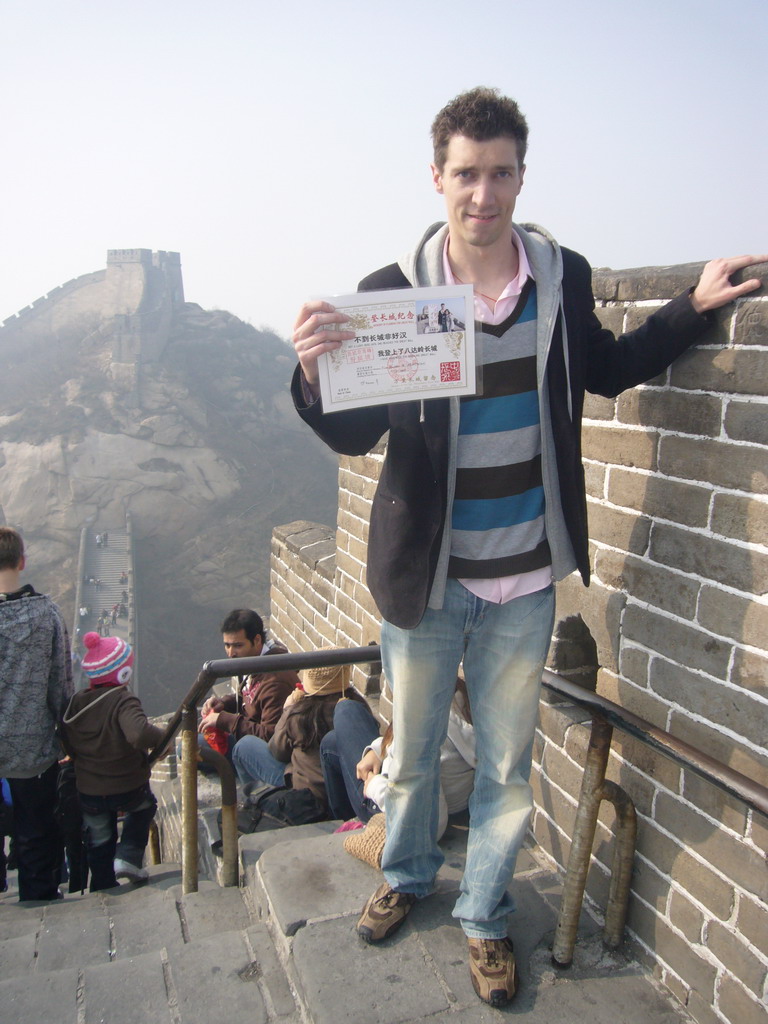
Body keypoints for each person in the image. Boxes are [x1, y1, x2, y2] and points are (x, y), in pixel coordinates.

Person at [290, 86, 766, 1008]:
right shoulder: (397, 295)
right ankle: (408, 868)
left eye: (500, 172)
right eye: (465, 174)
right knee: (416, 751)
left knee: (508, 767)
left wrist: (693, 306)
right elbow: (354, 439)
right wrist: (313, 374)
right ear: (437, 178)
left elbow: (607, 367)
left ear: (520, 176)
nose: (483, 193)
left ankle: (483, 915)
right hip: (428, 582)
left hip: (525, 578)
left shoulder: (560, 277)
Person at [0, 526, 73, 901]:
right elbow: (61, 685)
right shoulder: (46, 614)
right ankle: (38, 894)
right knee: (36, 826)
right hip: (33, 748)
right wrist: (66, 734)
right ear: (22, 562)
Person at [61, 632, 163, 890]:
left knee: (99, 837)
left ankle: (103, 885)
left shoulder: (76, 704)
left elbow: (66, 742)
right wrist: (163, 737)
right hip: (128, 785)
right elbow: (139, 733)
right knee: (144, 807)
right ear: (123, 674)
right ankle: (128, 855)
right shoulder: (122, 700)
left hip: (90, 791)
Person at [321, 679, 476, 835]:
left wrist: (374, 786)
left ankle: (355, 825)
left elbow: (426, 819)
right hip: (443, 799)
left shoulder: (423, 722)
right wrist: (379, 750)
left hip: (391, 806)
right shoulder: (456, 695)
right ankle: (349, 822)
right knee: (332, 742)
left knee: (346, 709)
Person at [233, 660, 370, 817]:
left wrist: (287, 710)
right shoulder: (358, 706)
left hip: (307, 797)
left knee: (244, 747)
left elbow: (276, 751)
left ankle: (255, 810)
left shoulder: (301, 713)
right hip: (346, 796)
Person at [198, 609, 300, 760]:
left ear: (257, 640)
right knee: (190, 746)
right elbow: (249, 696)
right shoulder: (253, 662)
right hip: (247, 733)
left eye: (237, 645)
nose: (230, 653)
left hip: (262, 751)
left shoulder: (275, 681)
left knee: (198, 750)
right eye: (227, 645)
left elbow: (270, 736)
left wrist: (225, 721)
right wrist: (222, 704)